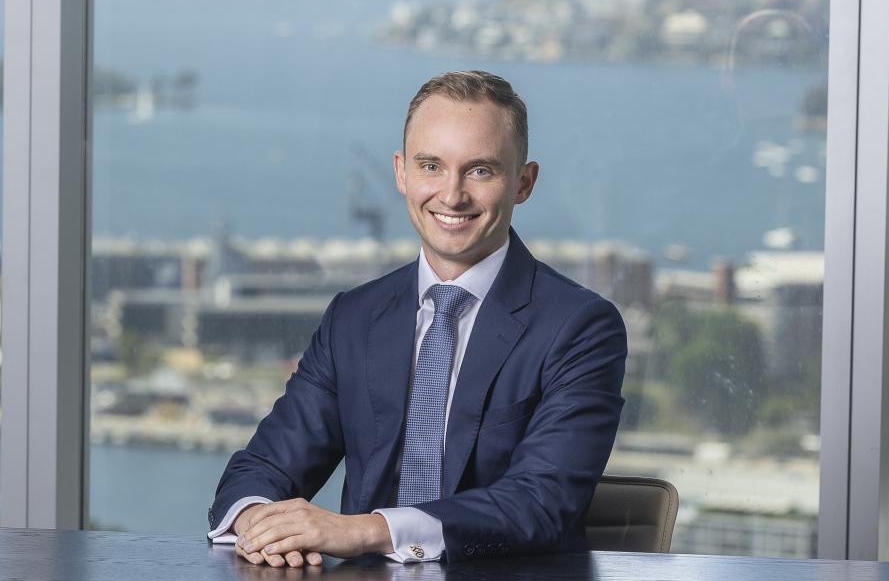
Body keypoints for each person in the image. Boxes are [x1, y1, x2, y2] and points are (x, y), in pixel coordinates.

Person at [207, 70, 627, 567]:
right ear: (401, 173)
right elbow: (262, 467)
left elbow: (540, 502)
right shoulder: (354, 318)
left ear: (523, 183)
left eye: (480, 171)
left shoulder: (580, 327)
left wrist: (366, 530)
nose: (451, 195)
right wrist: (258, 522)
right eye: (431, 166)